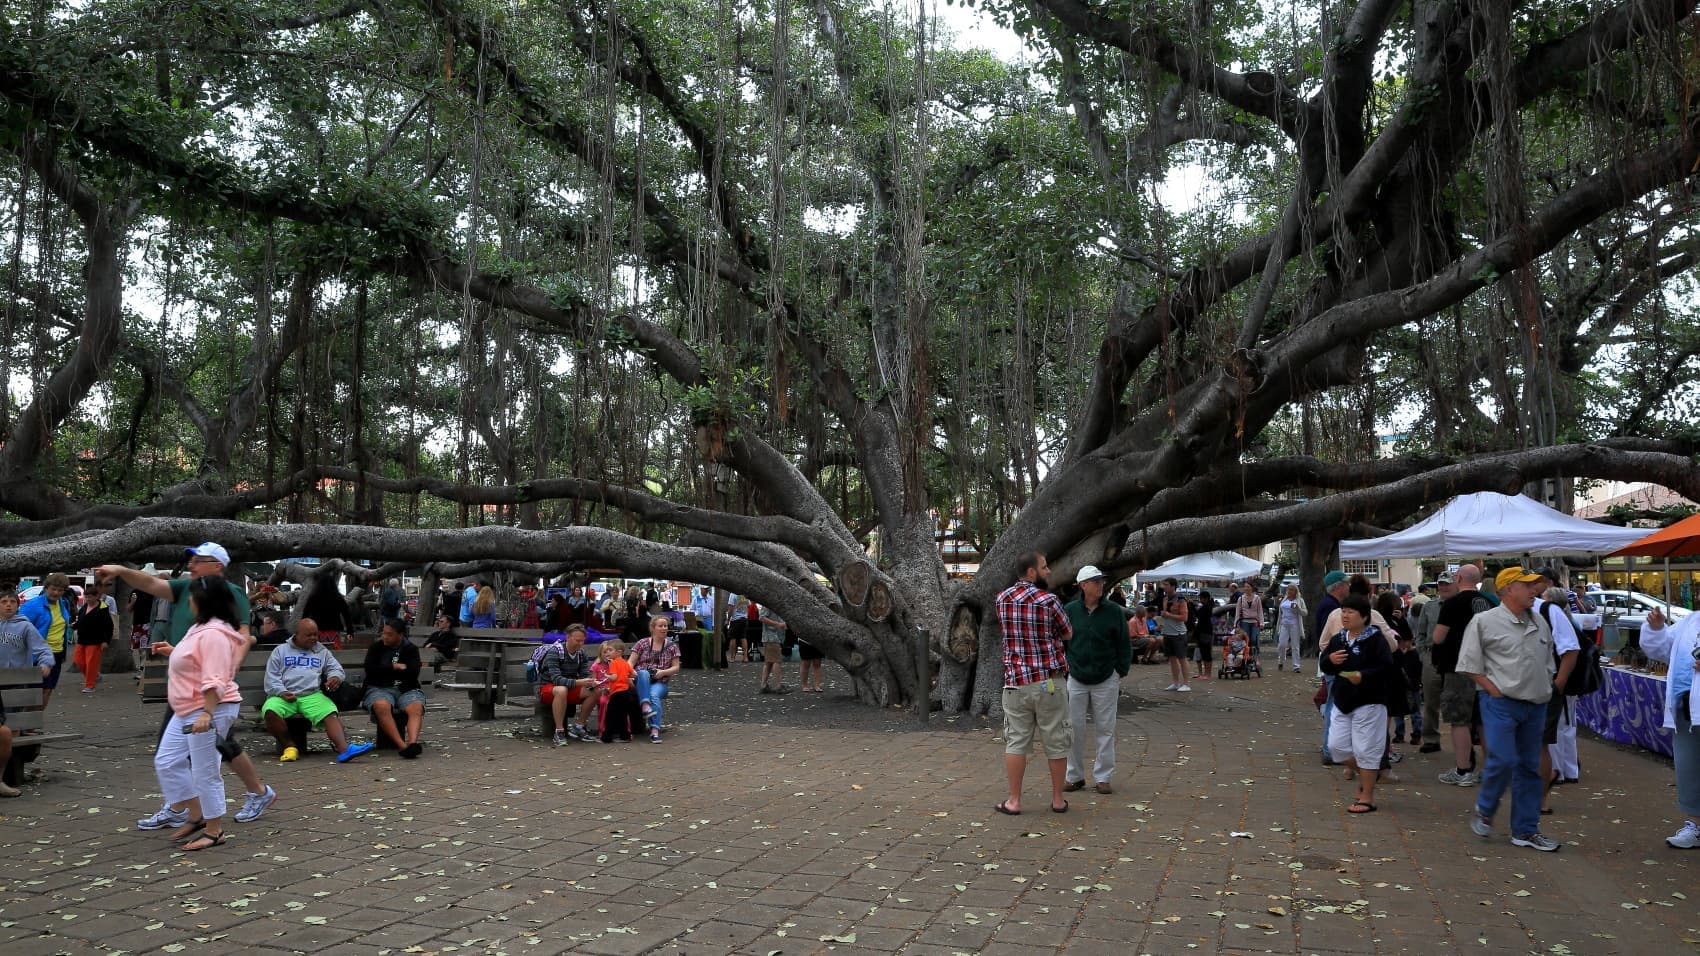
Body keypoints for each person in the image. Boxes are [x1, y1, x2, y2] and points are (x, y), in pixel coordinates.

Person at [99, 544, 277, 828]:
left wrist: (223, 673)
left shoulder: (227, 595)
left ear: (217, 565)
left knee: (206, 755)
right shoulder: (186, 589)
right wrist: (121, 570)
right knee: (209, 749)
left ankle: (197, 813)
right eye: (191, 560)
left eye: (198, 560)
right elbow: (149, 582)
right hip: (189, 687)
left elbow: (241, 636)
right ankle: (233, 799)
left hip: (210, 690)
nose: (191, 564)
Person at [1458, 567, 1560, 852]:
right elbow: (1468, 664)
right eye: (1526, 585)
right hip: (1500, 702)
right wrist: (1492, 690)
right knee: (1502, 758)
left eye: (1534, 586)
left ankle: (1526, 831)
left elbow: (1549, 658)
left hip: (1536, 704)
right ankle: (1486, 808)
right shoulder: (1483, 622)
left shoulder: (1539, 620)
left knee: (1530, 767)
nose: (1533, 590)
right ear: (1507, 590)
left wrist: (1548, 685)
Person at [151, 575, 246, 850]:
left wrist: (208, 712)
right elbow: (196, 661)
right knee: (167, 761)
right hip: (187, 708)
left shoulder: (215, 633)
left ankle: (214, 830)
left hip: (208, 708)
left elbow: (214, 676)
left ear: (203, 600)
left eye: (191, 596)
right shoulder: (200, 628)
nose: (187, 601)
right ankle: (198, 813)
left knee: (205, 770)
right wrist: (173, 652)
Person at [993, 551, 1073, 816]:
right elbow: (1068, 632)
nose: (1048, 571)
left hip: (1015, 683)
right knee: (1056, 738)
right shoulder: (1049, 600)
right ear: (1031, 572)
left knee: (1016, 741)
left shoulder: (1002, 599)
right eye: (1044, 567)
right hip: (1048, 683)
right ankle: (1058, 800)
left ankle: (1014, 801)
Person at [261, 619, 374, 763]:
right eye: (309, 635)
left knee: (329, 712)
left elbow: (336, 668)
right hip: (283, 695)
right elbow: (271, 677)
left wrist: (335, 677)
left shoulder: (321, 650)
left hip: (312, 694)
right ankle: (289, 747)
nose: (313, 638)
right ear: (296, 635)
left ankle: (344, 749)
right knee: (270, 711)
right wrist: (281, 691)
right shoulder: (280, 651)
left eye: (315, 634)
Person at [1062, 566, 1131, 795]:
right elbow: (1061, 640)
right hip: (1077, 676)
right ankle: (1074, 775)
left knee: (1106, 728)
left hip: (1106, 677)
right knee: (1074, 728)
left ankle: (1103, 776)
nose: (1100, 585)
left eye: (1101, 581)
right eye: (1095, 581)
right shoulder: (1070, 610)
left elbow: (1123, 643)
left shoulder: (1113, 611)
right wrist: (1066, 669)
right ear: (1083, 585)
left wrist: (1119, 670)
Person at [1320, 593, 1391, 813]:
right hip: (1343, 699)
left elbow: (1386, 667)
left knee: (1366, 748)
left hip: (1370, 700)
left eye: (1350, 612)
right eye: (1343, 611)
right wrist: (1329, 660)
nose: (1345, 616)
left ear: (1364, 616)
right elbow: (1325, 663)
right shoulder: (1339, 638)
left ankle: (1367, 797)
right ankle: (1369, 773)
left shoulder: (1375, 639)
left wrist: (1363, 675)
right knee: (1336, 747)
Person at [1640, 606, 1700, 848]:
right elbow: (1663, 650)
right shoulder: (1691, 621)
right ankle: (1695, 825)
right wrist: (1656, 629)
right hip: (1686, 707)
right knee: (1689, 768)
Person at [1432, 564, 1492, 786]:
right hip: (1486, 667)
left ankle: (1463, 769)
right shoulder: (1487, 602)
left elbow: (1438, 637)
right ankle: (1491, 769)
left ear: (1458, 578)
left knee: (1459, 720)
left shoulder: (1452, 604)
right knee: (1483, 720)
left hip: (1458, 666)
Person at [1532, 581, 1580, 817]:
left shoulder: (1548, 611)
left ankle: (1540, 798)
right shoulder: (1496, 616)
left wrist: (1558, 684)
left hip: (1544, 688)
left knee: (1540, 742)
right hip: (1509, 691)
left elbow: (1571, 649)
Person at [363, 618, 425, 758]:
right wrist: (393, 667)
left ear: (400, 635)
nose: (385, 636)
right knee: (381, 706)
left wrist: (385, 670)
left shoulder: (410, 649)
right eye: (384, 633)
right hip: (379, 687)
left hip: (406, 688)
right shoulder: (376, 648)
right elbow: (371, 670)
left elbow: (412, 672)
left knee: (416, 707)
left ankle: (412, 743)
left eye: (389, 634)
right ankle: (402, 746)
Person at [539, 624, 602, 745]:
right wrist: (579, 682)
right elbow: (556, 679)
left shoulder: (581, 653)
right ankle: (559, 731)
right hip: (548, 688)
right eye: (577, 640)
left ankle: (579, 726)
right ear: (568, 637)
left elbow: (584, 674)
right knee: (561, 690)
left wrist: (591, 681)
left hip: (570, 687)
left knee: (597, 690)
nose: (580, 643)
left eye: (582, 641)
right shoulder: (555, 651)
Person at [20, 572, 75, 709]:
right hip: (38, 655)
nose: (56, 593)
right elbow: (19, 628)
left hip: (57, 654)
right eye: (53, 589)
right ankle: (27, 724)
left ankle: (32, 725)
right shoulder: (33, 605)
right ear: (46, 588)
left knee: (48, 689)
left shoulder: (64, 604)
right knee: (37, 691)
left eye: (60, 590)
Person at [1413, 574, 1455, 754]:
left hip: (1455, 657)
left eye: (1447, 585)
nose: (1444, 588)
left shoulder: (1461, 605)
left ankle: (1462, 739)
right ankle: (1431, 738)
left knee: (1455, 699)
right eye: (1441, 585)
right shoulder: (1429, 607)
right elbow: (1420, 633)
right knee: (1430, 700)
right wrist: (1423, 654)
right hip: (1432, 657)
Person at [630, 615, 682, 743]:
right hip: (641, 680)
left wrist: (663, 672)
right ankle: (646, 706)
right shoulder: (642, 643)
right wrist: (633, 674)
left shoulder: (672, 646)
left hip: (660, 682)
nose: (664, 628)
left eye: (665, 626)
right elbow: (629, 663)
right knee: (643, 673)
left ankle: (654, 731)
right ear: (653, 628)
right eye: (660, 626)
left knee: (654, 694)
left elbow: (676, 668)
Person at [72, 581, 115, 694]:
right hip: (82, 639)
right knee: (78, 660)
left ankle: (90, 685)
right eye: (86, 597)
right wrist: (73, 626)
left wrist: (106, 641)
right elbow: (81, 621)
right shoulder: (84, 607)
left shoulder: (103, 609)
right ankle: (95, 675)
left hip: (95, 640)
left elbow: (108, 626)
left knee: (91, 663)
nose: (87, 599)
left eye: (90, 597)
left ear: (96, 597)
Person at [594, 639, 640, 742]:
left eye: (610, 650)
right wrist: (625, 676)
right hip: (626, 692)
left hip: (616, 693)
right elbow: (634, 674)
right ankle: (625, 736)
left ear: (618, 652)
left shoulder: (614, 663)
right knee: (622, 715)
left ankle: (606, 737)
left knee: (611, 715)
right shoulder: (625, 663)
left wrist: (607, 675)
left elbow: (614, 677)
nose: (608, 652)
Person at [300, 569, 353, 649]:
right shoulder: (338, 598)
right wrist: (350, 632)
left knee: (316, 653)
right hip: (334, 631)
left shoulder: (313, 598)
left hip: (317, 632)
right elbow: (346, 615)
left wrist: (302, 631)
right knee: (333, 655)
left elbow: (305, 615)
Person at [1156, 578, 1191, 692]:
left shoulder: (1181, 599)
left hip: (1179, 633)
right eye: (1163, 585)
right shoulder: (1165, 598)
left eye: (1166, 585)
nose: (1164, 587)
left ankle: (1186, 683)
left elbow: (1184, 618)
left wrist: (1168, 615)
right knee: (1172, 659)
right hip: (1168, 632)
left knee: (1182, 658)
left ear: (1173, 586)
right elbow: (1166, 615)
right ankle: (1175, 683)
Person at [757, 604, 790, 694]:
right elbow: (762, 618)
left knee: (769, 662)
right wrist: (778, 624)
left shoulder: (774, 603)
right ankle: (777, 686)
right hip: (771, 636)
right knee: (777, 661)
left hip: (774, 637)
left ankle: (764, 685)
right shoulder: (767, 604)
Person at [424, 613, 460, 680]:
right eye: (439, 621)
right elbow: (425, 645)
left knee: (429, 659)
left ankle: (424, 680)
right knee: (420, 657)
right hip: (429, 653)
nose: (439, 623)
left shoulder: (451, 636)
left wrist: (433, 645)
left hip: (443, 655)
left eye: (441, 621)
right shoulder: (435, 634)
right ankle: (424, 680)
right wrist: (433, 647)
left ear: (448, 624)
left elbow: (447, 648)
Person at [1235, 582, 1264, 652]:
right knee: (1246, 639)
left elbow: (1260, 611)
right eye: (1245, 587)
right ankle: (1247, 655)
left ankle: (1254, 653)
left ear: (1252, 588)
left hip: (1255, 621)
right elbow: (1238, 612)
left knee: (1254, 639)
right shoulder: (1241, 598)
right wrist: (1235, 623)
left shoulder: (1257, 598)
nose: (1246, 588)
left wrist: (1262, 623)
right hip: (1244, 621)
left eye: (1248, 587)